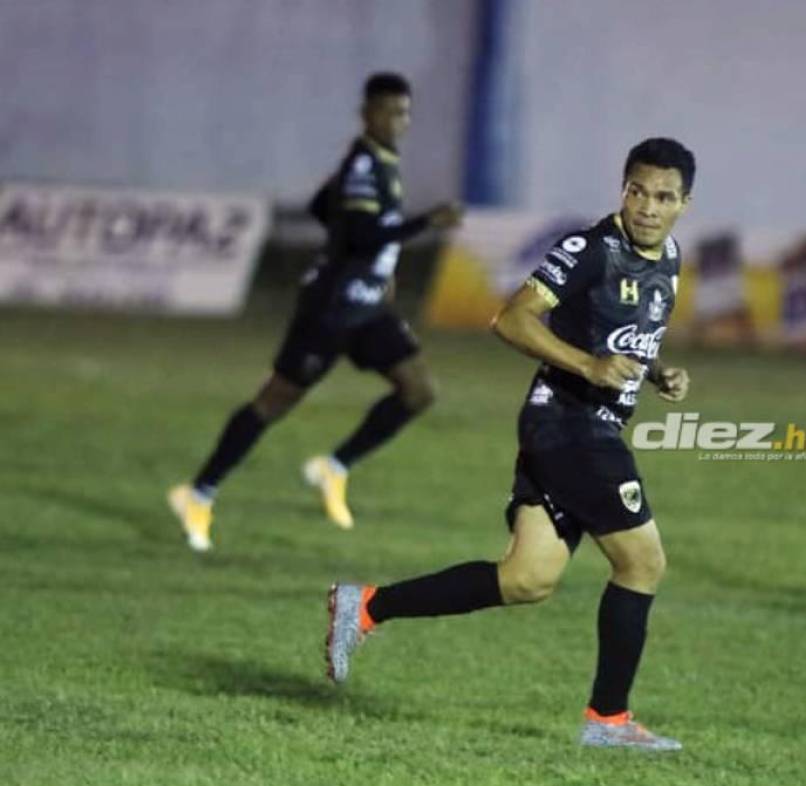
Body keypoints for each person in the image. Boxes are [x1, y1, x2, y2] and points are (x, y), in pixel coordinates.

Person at [325, 137, 696, 751]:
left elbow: (626, 337)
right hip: (571, 426)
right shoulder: (589, 249)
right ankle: (608, 722)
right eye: (637, 191)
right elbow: (512, 318)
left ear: (684, 203)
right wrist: (587, 365)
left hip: (577, 426)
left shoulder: (670, 258)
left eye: (663, 197)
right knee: (643, 562)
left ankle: (364, 607)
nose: (648, 208)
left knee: (527, 578)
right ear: (622, 189)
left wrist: (657, 372)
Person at [168, 72, 462, 551]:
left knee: (418, 390)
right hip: (329, 308)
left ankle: (334, 467)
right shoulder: (366, 164)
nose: (396, 120)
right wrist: (425, 223)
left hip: (367, 305)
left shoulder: (375, 161)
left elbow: (323, 206)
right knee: (274, 401)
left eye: (403, 111)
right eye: (387, 110)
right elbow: (364, 232)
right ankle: (198, 493)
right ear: (367, 113)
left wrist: (366, 260)